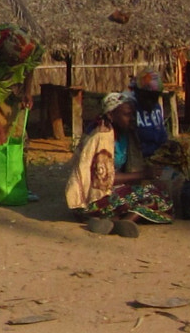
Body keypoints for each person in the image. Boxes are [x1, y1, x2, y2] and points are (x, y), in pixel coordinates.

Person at [64, 91, 174, 236]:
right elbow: (104, 181)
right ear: (111, 115)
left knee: (154, 193)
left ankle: (109, 220)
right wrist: (143, 174)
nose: (132, 119)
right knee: (158, 197)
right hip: (92, 200)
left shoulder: (125, 135)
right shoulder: (102, 138)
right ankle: (129, 219)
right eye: (127, 114)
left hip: (109, 194)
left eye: (133, 114)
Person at [130, 72, 170, 158]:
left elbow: (162, 134)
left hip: (159, 155)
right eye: (147, 97)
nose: (151, 101)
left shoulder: (156, 108)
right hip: (139, 159)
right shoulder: (130, 110)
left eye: (154, 98)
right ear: (138, 93)